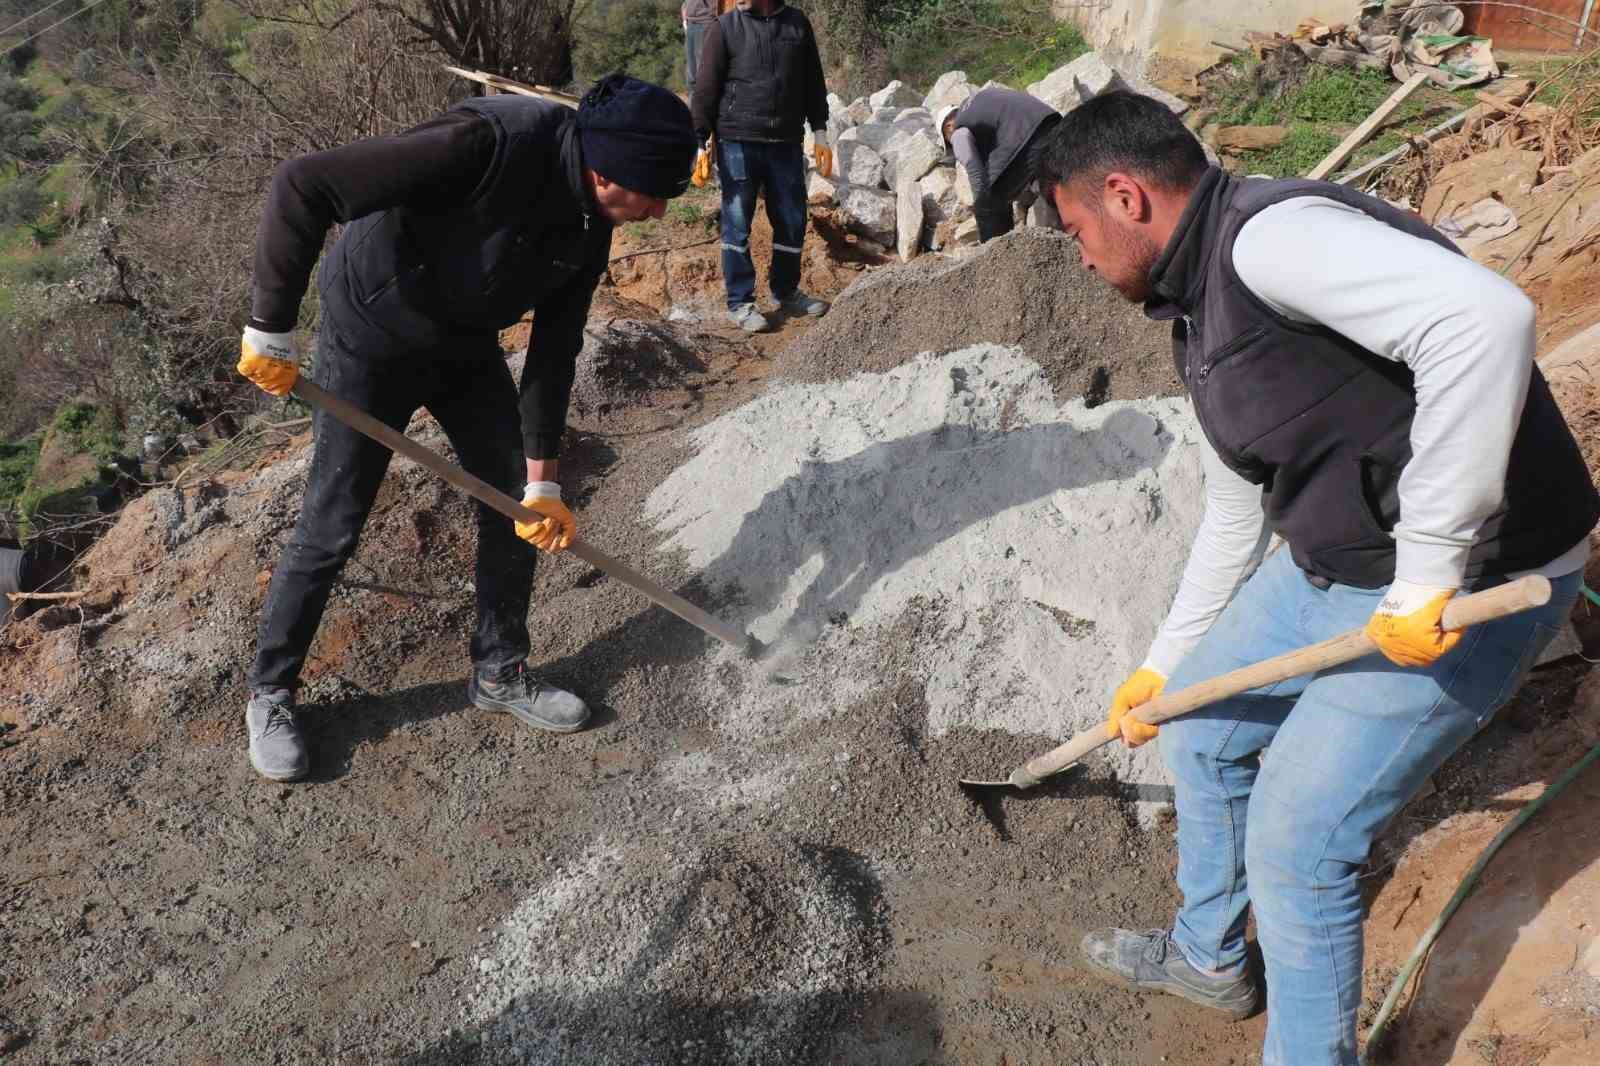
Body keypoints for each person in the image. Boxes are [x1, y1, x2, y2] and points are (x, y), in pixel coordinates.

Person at [1034, 91, 1597, 1065]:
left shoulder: (1271, 242)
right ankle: (1207, 960)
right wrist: (1165, 664)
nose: (1079, 258)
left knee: (1299, 843)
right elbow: (1235, 505)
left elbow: (1487, 319)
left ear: (1125, 196)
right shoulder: (1198, 306)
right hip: (1336, 561)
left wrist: (1425, 568)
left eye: (1076, 229)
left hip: (1470, 582)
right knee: (1201, 733)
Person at [235, 75, 698, 783]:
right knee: (332, 522)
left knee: (511, 501)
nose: (659, 209)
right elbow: (303, 185)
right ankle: (270, 694)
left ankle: (500, 670)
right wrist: (270, 327)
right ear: (607, 172)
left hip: (462, 342)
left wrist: (542, 480)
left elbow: (555, 347)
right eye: (652, 194)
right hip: (372, 336)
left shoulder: (591, 221)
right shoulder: (486, 143)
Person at [689, 0, 833, 333]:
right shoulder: (724, 27)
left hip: (785, 141)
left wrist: (821, 131)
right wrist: (700, 141)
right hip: (737, 140)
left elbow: (813, 80)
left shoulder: (797, 24)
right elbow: (706, 85)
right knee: (737, 221)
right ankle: (740, 302)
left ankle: (786, 291)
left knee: (792, 219)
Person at [935, 86, 1061, 242]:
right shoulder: (981, 103)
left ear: (948, 127)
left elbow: (973, 168)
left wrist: (981, 202)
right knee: (1050, 182)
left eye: (949, 142)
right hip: (1052, 122)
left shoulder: (958, 130)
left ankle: (996, 252)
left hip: (1025, 138)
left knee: (992, 199)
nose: (952, 144)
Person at [681, 0, 718, 97]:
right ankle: (692, 103)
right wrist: (684, 13)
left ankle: (702, 102)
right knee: (690, 67)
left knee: (702, 68)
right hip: (691, 24)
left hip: (705, 23)